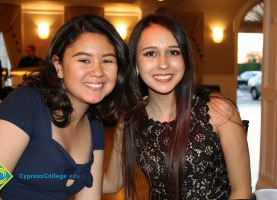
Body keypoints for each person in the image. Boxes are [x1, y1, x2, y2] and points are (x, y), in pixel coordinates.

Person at [0, 15, 128, 200]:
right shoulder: (26, 105)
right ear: (59, 66)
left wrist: (124, 125)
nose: (97, 71)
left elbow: (90, 194)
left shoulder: (92, 122)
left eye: (107, 60)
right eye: (84, 60)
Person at [103, 13, 252, 199]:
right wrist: (66, 174)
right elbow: (112, 182)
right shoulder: (129, 120)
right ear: (135, 64)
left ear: (185, 60)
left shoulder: (219, 111)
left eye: (173, 52)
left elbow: (242, 191)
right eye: (151, 53)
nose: (163, 64)